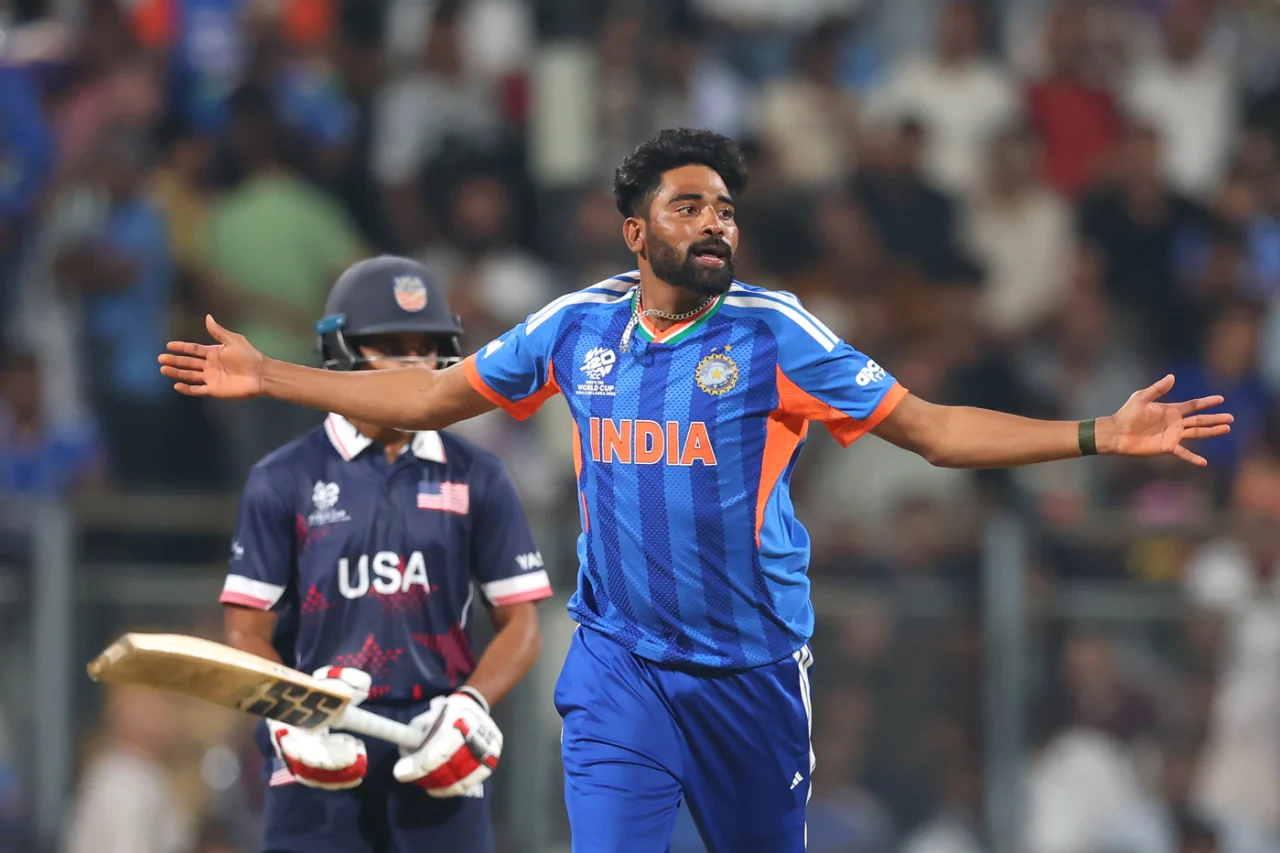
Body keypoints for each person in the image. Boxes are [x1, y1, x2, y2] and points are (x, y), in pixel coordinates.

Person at [161, 129, 1234, 852]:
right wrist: (272, 375)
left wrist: (1098, 433)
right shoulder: (574, 326)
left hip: (751, 671)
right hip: (620, 664)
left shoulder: (777, 333)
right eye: (689, 206)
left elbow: (934, 431)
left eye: (725, 208)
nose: (716, 222)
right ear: (637, 233)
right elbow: (432, 393)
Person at [216, 256, 550, 853]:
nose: (412, 367)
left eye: (426, 348)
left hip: (436, 741)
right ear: (340, 352)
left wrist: (472, 705)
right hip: (318, 744)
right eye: (391, 348)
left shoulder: (478, 474)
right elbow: (245, 629)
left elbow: (522, 624)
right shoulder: (283, 478)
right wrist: (291, 711)